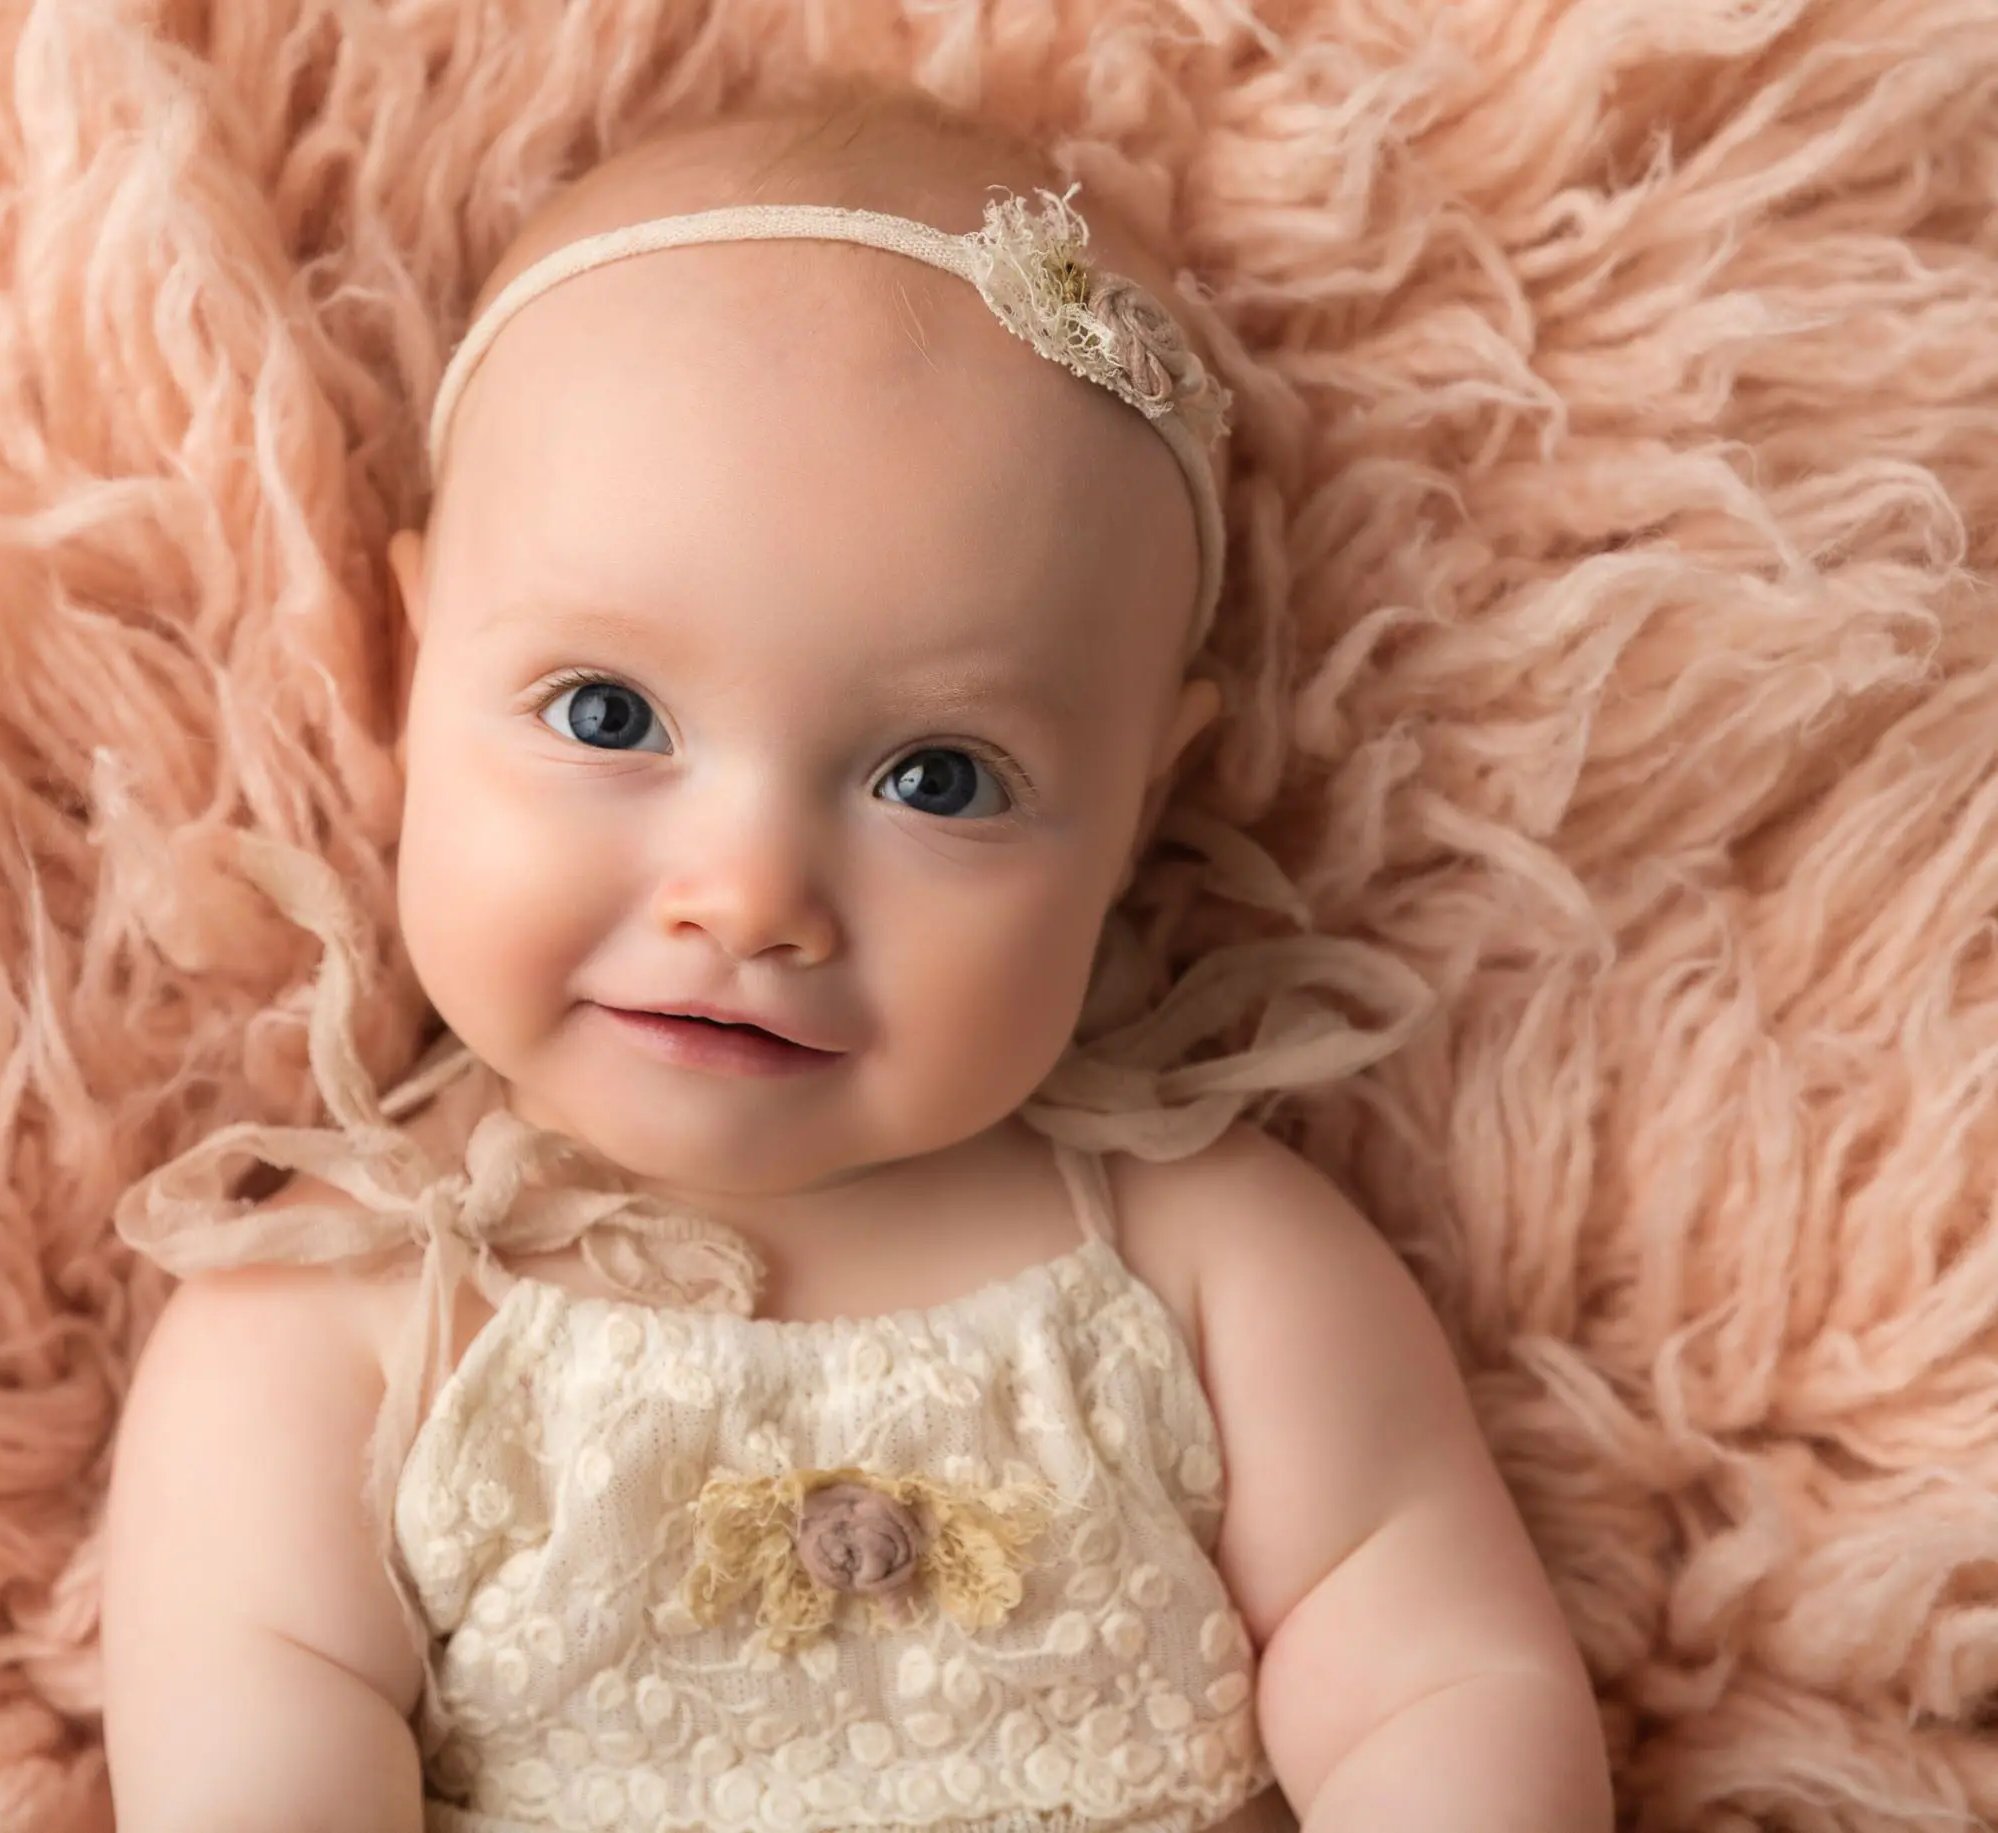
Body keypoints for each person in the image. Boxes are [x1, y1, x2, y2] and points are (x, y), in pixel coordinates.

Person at [98, 90, 1611, 1833]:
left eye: (938, 779)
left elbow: (1443, 1687)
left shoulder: (1211, 1266)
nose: (749, 898)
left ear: (1137, 809)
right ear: (412, 673)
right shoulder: (331, 1326)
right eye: (610, 715)